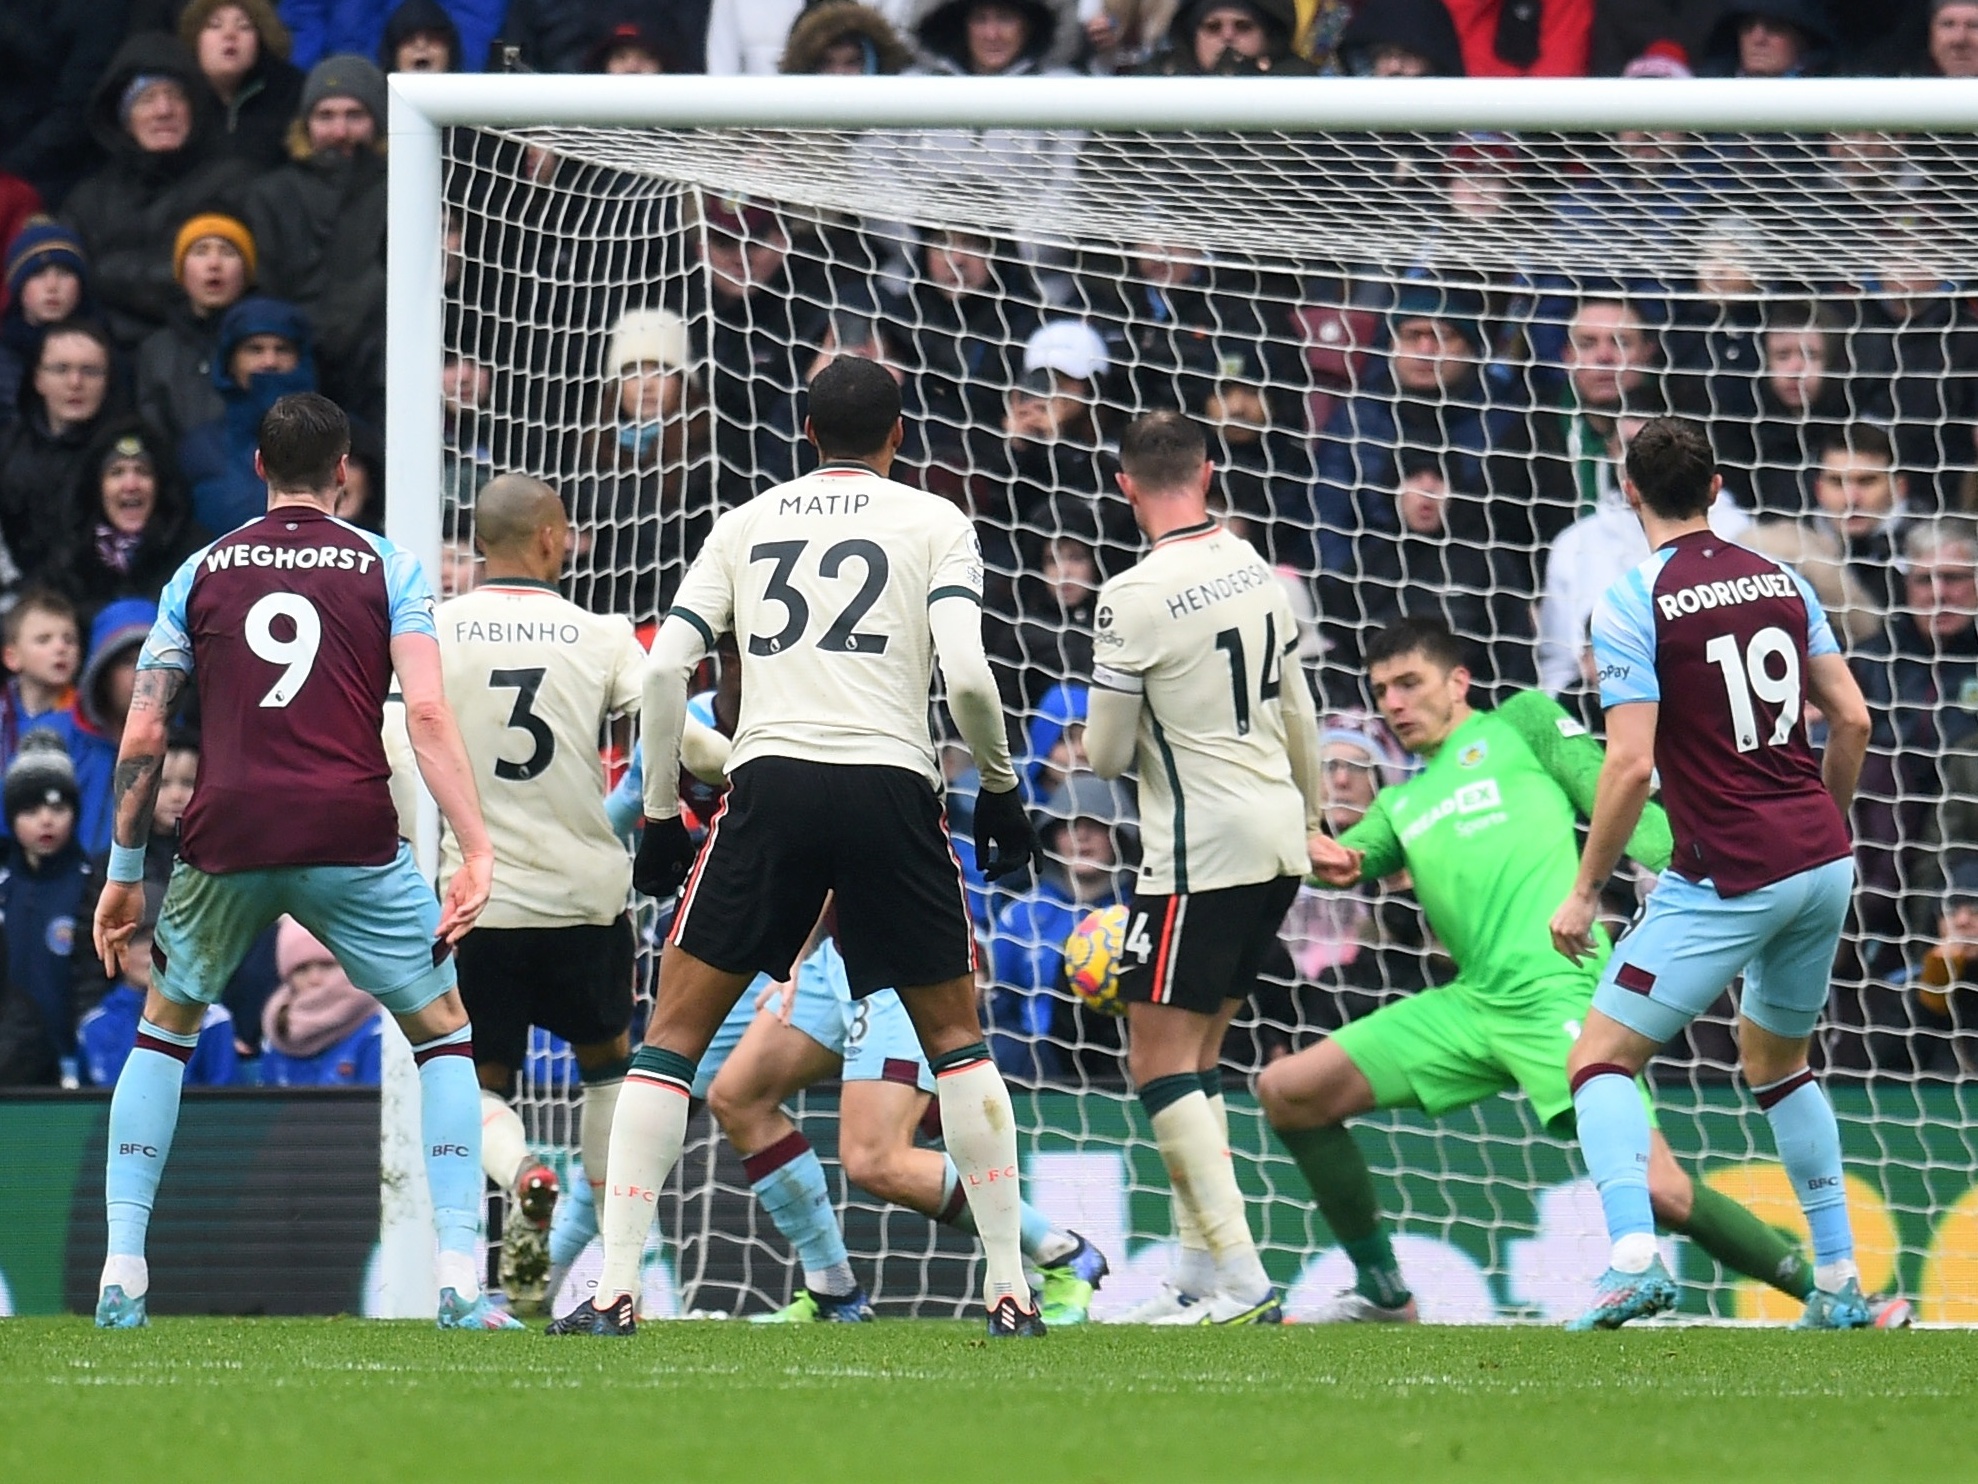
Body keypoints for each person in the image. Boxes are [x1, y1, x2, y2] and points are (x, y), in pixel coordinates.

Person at [550, 356, 1046, 1338]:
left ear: (805, 434)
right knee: (957, 1039)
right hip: (892, 786)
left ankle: (613, 1290)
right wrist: (998, 787)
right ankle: (1008, 1288)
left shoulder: (746, 523)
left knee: (671, 1040)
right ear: (899, 434)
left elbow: (663, 672)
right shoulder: (936, 522)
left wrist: (657, 812)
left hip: (769, 783)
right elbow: (973, 679)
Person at [1278, 618, 1909, 1326]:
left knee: (1663, 1191)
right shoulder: (1402, 803)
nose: (1393, 703)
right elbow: (1351, 859)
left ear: (1458, 682)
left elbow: (1611, 783)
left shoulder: (1522, 722)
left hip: (1561, 988)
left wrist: (1695, 866)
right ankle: (1385, 1294)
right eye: (1380, 691)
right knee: (1289, 1092)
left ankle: (1842, 1299)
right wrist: (1319, 854)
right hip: (1470, 1004)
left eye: (1408, 683)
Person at [88, 391, 512, 1330]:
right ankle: (457, 1277)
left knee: (165, 1028)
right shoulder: (386, 565)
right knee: (442, 1032)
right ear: (345, 472)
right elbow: (431, 715)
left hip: (228, 829)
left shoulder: (201, 570)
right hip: (348, 829)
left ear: (259, 471)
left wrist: (123, 872)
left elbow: (146, 728)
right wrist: (473, 848)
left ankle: (123, 1268)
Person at [1547, 415, 1878, 1329]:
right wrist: (1823, 824)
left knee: (1600, 1061)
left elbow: (1628, 767)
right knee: (1778, 1064)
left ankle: (1631, 1258)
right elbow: (1851, 721)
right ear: (1718, 484)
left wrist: (1584, 892)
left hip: (1729, 870)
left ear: (1629, 494)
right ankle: (1842, 1282)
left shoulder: (1631, 598)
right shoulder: (1781, 579)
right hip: (1821, 858)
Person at [426, 474, 722, 1299]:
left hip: (478, 899)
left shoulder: (435, 630)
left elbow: (392, 746)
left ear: (482, 541)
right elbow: (686, 739)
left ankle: (520, 1169)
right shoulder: (598, 634)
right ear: (552, 536)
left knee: (478, 1077)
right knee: (606, 1065)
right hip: (587, 897)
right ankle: (617, 1270)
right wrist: (746, 767)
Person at [1081, 410, 1328, 1325]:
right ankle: (1195, 1279)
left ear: (1124, 485)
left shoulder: (1131, 595)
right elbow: (1300, 709)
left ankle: (1250, 1284)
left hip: (1198, 853)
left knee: (1156, 1064)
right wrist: (1313, 817)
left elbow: (1105, 757)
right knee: (1200, 1055)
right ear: (1210, 472)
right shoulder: (1257, 567)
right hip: (1275, 841)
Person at [57, 33, 254, 353]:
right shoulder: (89, 199)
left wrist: (106, 274)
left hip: (202, 353)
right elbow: (67, 282)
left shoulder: (233, 183)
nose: (164, 110)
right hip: (107, 357)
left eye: (176, 96)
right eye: (146, 99)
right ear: (123, 119)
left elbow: (227, 281)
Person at [241, 55, 388, 422]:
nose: (340, 132)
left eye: (355, 115)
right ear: (305, 124)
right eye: (326, 115)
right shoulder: (270, 196)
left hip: (381, 375)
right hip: (297, 375)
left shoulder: (404, 189)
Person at [178, 294, 317, 535]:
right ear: (230, 361)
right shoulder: (198, 448)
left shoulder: (332, 440)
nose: (269, 362)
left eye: (282, 349)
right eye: (255, 349)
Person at [0, 732, 93, 1087]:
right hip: (7, 1061)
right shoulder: (3, 885)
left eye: (58, 808)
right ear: (10, 816)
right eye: (30, 809)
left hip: (68, 1060)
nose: (46, 820)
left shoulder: (91, 885)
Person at [80, 884, 238, 1088]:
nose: (152, 953)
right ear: (116, 948)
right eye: (139, 940)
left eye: (163, 940)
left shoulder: (212, 1020)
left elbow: (227, 1103)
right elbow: (86, 1107)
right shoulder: (94, 1026)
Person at [55, 420, 211, 623]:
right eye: (116, 472)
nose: (130, 485)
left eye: (142, 471)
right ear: (96, 487)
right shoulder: (69, 562)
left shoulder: (197, 558)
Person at [0, 319, 120, 582]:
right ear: (38, 379)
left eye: (90, 371)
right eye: (61, 369)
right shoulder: (8, 447)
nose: (75, 382)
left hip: (103, 598)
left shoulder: (130, 452)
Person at [135, 213, 255, 453]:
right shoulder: (156, 350)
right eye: (200, 251)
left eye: (228, 252)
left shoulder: (268, 342)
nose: (214, 264)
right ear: (181, 270)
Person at [255, 917, 385, 1085]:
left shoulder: (377, 1032)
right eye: (302, 969)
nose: (314, 979)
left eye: (327, 965)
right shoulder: (276, 1032)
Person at [179, 0, 306, 170]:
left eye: (244, 26)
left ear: (261, 40)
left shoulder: (292, 93)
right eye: (215, 25)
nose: (230, 34)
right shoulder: (177, 97)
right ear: (195, 39)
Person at [0, 218, 94, 429]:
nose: (52, 286)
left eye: (64, 273)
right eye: (37, 273)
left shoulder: (105, 353)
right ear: (18, 286)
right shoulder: (4, 357)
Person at [0, 589, 81, 783]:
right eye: (44, 640)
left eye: (69, 640)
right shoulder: (3, 713)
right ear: (12, 657)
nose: (61, 648)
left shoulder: (87, 717)